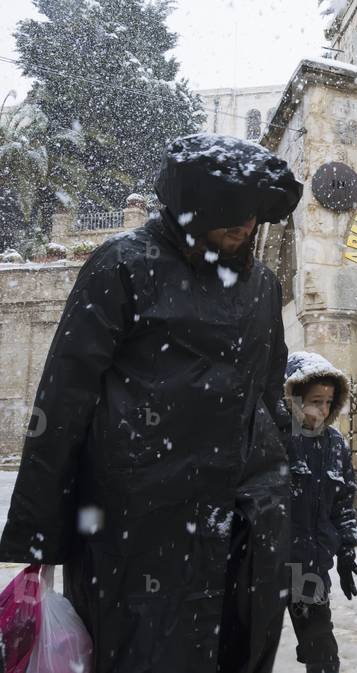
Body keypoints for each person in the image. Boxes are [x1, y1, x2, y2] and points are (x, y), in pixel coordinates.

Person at [0, 133, 303, 673]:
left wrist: (286, 489)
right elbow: (64, 397)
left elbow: (268, 396)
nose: (244, 225)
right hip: (138, 523)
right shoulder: (121, 266)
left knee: (237, 649)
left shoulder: (263, 289)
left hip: (243, 519)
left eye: (252, 214)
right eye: (228, 213)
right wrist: (40, 530)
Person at [283, 351, 357, 673]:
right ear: (294, 399)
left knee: (323, 653)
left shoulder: (335, 445)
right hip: (266, 563)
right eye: (316, 401)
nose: (323, 410)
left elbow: (342, 502)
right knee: (245, 649)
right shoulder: (276, 438)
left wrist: (345, 553)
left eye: (329, 402)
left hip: (308, 569)